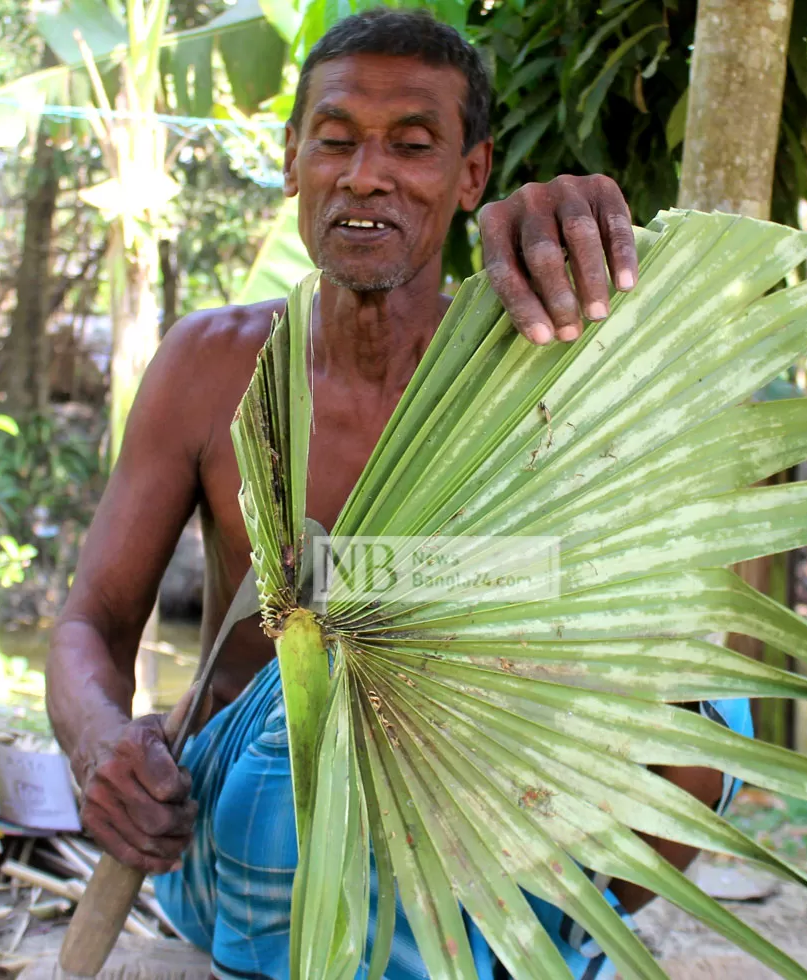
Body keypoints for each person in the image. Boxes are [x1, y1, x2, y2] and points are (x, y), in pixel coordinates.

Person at [46, 10, 752, 978]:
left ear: (472, 174)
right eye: (335, 141)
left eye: (413, 146)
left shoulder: (537, 371)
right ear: (293, 159)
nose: (366, 174)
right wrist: (99, 743)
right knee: (318, 669)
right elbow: (95, 615)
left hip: (482, 821)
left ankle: (510, 937)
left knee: (708, 693)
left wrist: (607, 274)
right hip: (264, 835)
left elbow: (647, 606)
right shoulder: (212, 367)